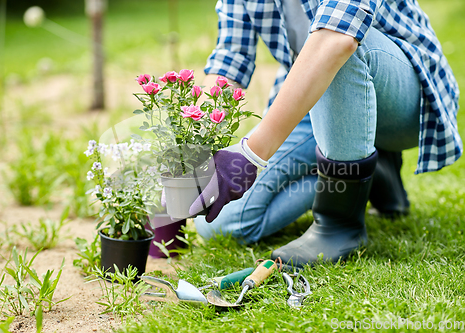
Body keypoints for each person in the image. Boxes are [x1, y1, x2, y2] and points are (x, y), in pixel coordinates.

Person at [191, 0, 461, 270]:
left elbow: (338, 39)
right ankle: (369, 169)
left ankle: (339, 225)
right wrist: (192, 154)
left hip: (403, 96)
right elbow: (229, 62)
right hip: (322, 102)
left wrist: (249, 155)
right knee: (220, 223)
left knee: (340, 40)